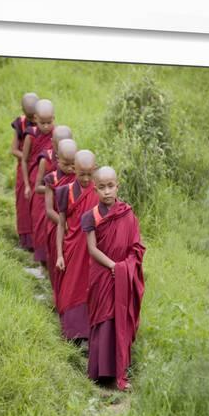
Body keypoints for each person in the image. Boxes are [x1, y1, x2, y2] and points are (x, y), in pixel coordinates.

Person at [81, 166, 146, 390]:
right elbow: (92, 249)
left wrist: (124, 267)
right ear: (95, 189)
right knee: (103, 318)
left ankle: (118, 368)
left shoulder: (127, 214)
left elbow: (137, 246)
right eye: (102, 187)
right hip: (102, 273)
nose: (107, 191)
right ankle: (100, 371)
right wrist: (113, 267)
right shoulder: (91, 216)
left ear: (117, 186)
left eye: (111, 186)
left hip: (122, 274)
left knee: (119, 318)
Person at [55, 150, 99, 340]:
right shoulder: (65, 192)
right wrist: (59, 254)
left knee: (88, 289)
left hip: (92, 250)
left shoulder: (99, 192)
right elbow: (61, 223)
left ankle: (87, 333)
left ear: (95, 170)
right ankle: (72, 333)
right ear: (74, 169)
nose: (86, 178)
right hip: (72, 247)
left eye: (90, 174)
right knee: (71, 289)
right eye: (82, 174)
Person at [35, 138, 77, 300]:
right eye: (66, 164)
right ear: (57, 159)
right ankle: (58, 295)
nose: (70, 168)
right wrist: (65, 225)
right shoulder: (51, 179)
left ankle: (70, 296)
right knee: (57, 262)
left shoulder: (79, 176)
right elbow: (49, 210)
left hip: (75, 228)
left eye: (73, 164)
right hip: (56, 226)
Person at [32, 126, 74, 268]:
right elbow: (38, 187)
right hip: (56, 215)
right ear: (53, 143)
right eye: (58, 145)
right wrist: (57, 191)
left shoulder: (77, 164)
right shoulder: (47, 161)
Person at [21, 99, 55, 262]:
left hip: (53, 183)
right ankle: (41, 256)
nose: (46, 126)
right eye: (43, 123)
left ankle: (50, 256)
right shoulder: (31, 135)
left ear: (54, 119)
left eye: (49, 122)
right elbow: (25, 159)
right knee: (39, 219)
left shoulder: (57, 134)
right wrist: (27, 184)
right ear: (35, 118)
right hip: (37, 181)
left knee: (50, 222)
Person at [10, 92, 39, 250]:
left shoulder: (45, 121)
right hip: (25, 168)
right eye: (31, 116)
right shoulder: (20, 124)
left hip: (40, 168)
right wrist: (28, 158)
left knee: (37, 203)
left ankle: (38, 238)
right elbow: (14, 150)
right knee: (23, 203)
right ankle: (26, 240)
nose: (35, 120)